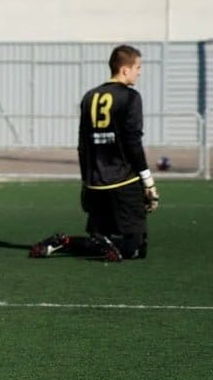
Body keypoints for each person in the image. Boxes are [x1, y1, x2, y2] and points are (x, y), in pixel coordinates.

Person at [30, 44, 158, 262]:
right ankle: (91, 242)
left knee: (103, 240)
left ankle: (66, 242)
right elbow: (132, 142)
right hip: (123, 183)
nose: (140, 71)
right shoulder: (130, 97)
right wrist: (148, 181)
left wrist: (86, 182)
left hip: (95, 183)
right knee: (134, 249)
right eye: (137, 66)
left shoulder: (89, 97)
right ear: (124, 70)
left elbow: (83, 145)